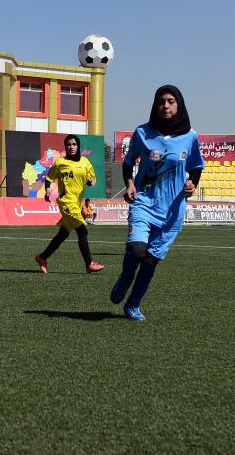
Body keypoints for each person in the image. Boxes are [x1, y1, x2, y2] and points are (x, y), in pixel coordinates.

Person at [109, 85, 204, 322]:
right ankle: (125, 277)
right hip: (144, 202)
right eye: (161, 101)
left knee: (151, 261)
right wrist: (130, 184)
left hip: (172, 211)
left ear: (179, 105)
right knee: (138, 249)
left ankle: (133, 305)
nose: (166, 105)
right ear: (155, 105)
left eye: (171, 101)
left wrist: (192, 183)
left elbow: (196, 167)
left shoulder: (190, 136)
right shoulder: (143, 133)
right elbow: (128, 162)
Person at [34, 135, 104, 274]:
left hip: (77, 203)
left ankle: (42, 257)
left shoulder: (85, 162)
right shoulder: (60, 162)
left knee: (63, 234)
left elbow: (93, 178)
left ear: (78, 146)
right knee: (82, 231)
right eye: (68, 145)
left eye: (73, 144)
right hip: (66, 202)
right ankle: (89, 264)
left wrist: (91, 181)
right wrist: (47, 191)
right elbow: (49, 177)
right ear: (65, 147)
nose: (71, 147)